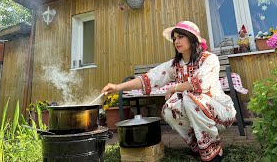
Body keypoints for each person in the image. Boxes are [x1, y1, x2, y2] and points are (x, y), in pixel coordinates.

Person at [101, 21, 236, 162]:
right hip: (196, 109)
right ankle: (197, 146)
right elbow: (149, 78)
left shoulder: (209, 59)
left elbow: (198, 83)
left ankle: (213, 149)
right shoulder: (175, 65)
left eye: (180, 37)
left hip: (220, 112)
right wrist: (117, 87)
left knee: (190, 98)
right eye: (174, 38)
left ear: (192, 38)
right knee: (169, 109)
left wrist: (174, 88)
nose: (176, 41)